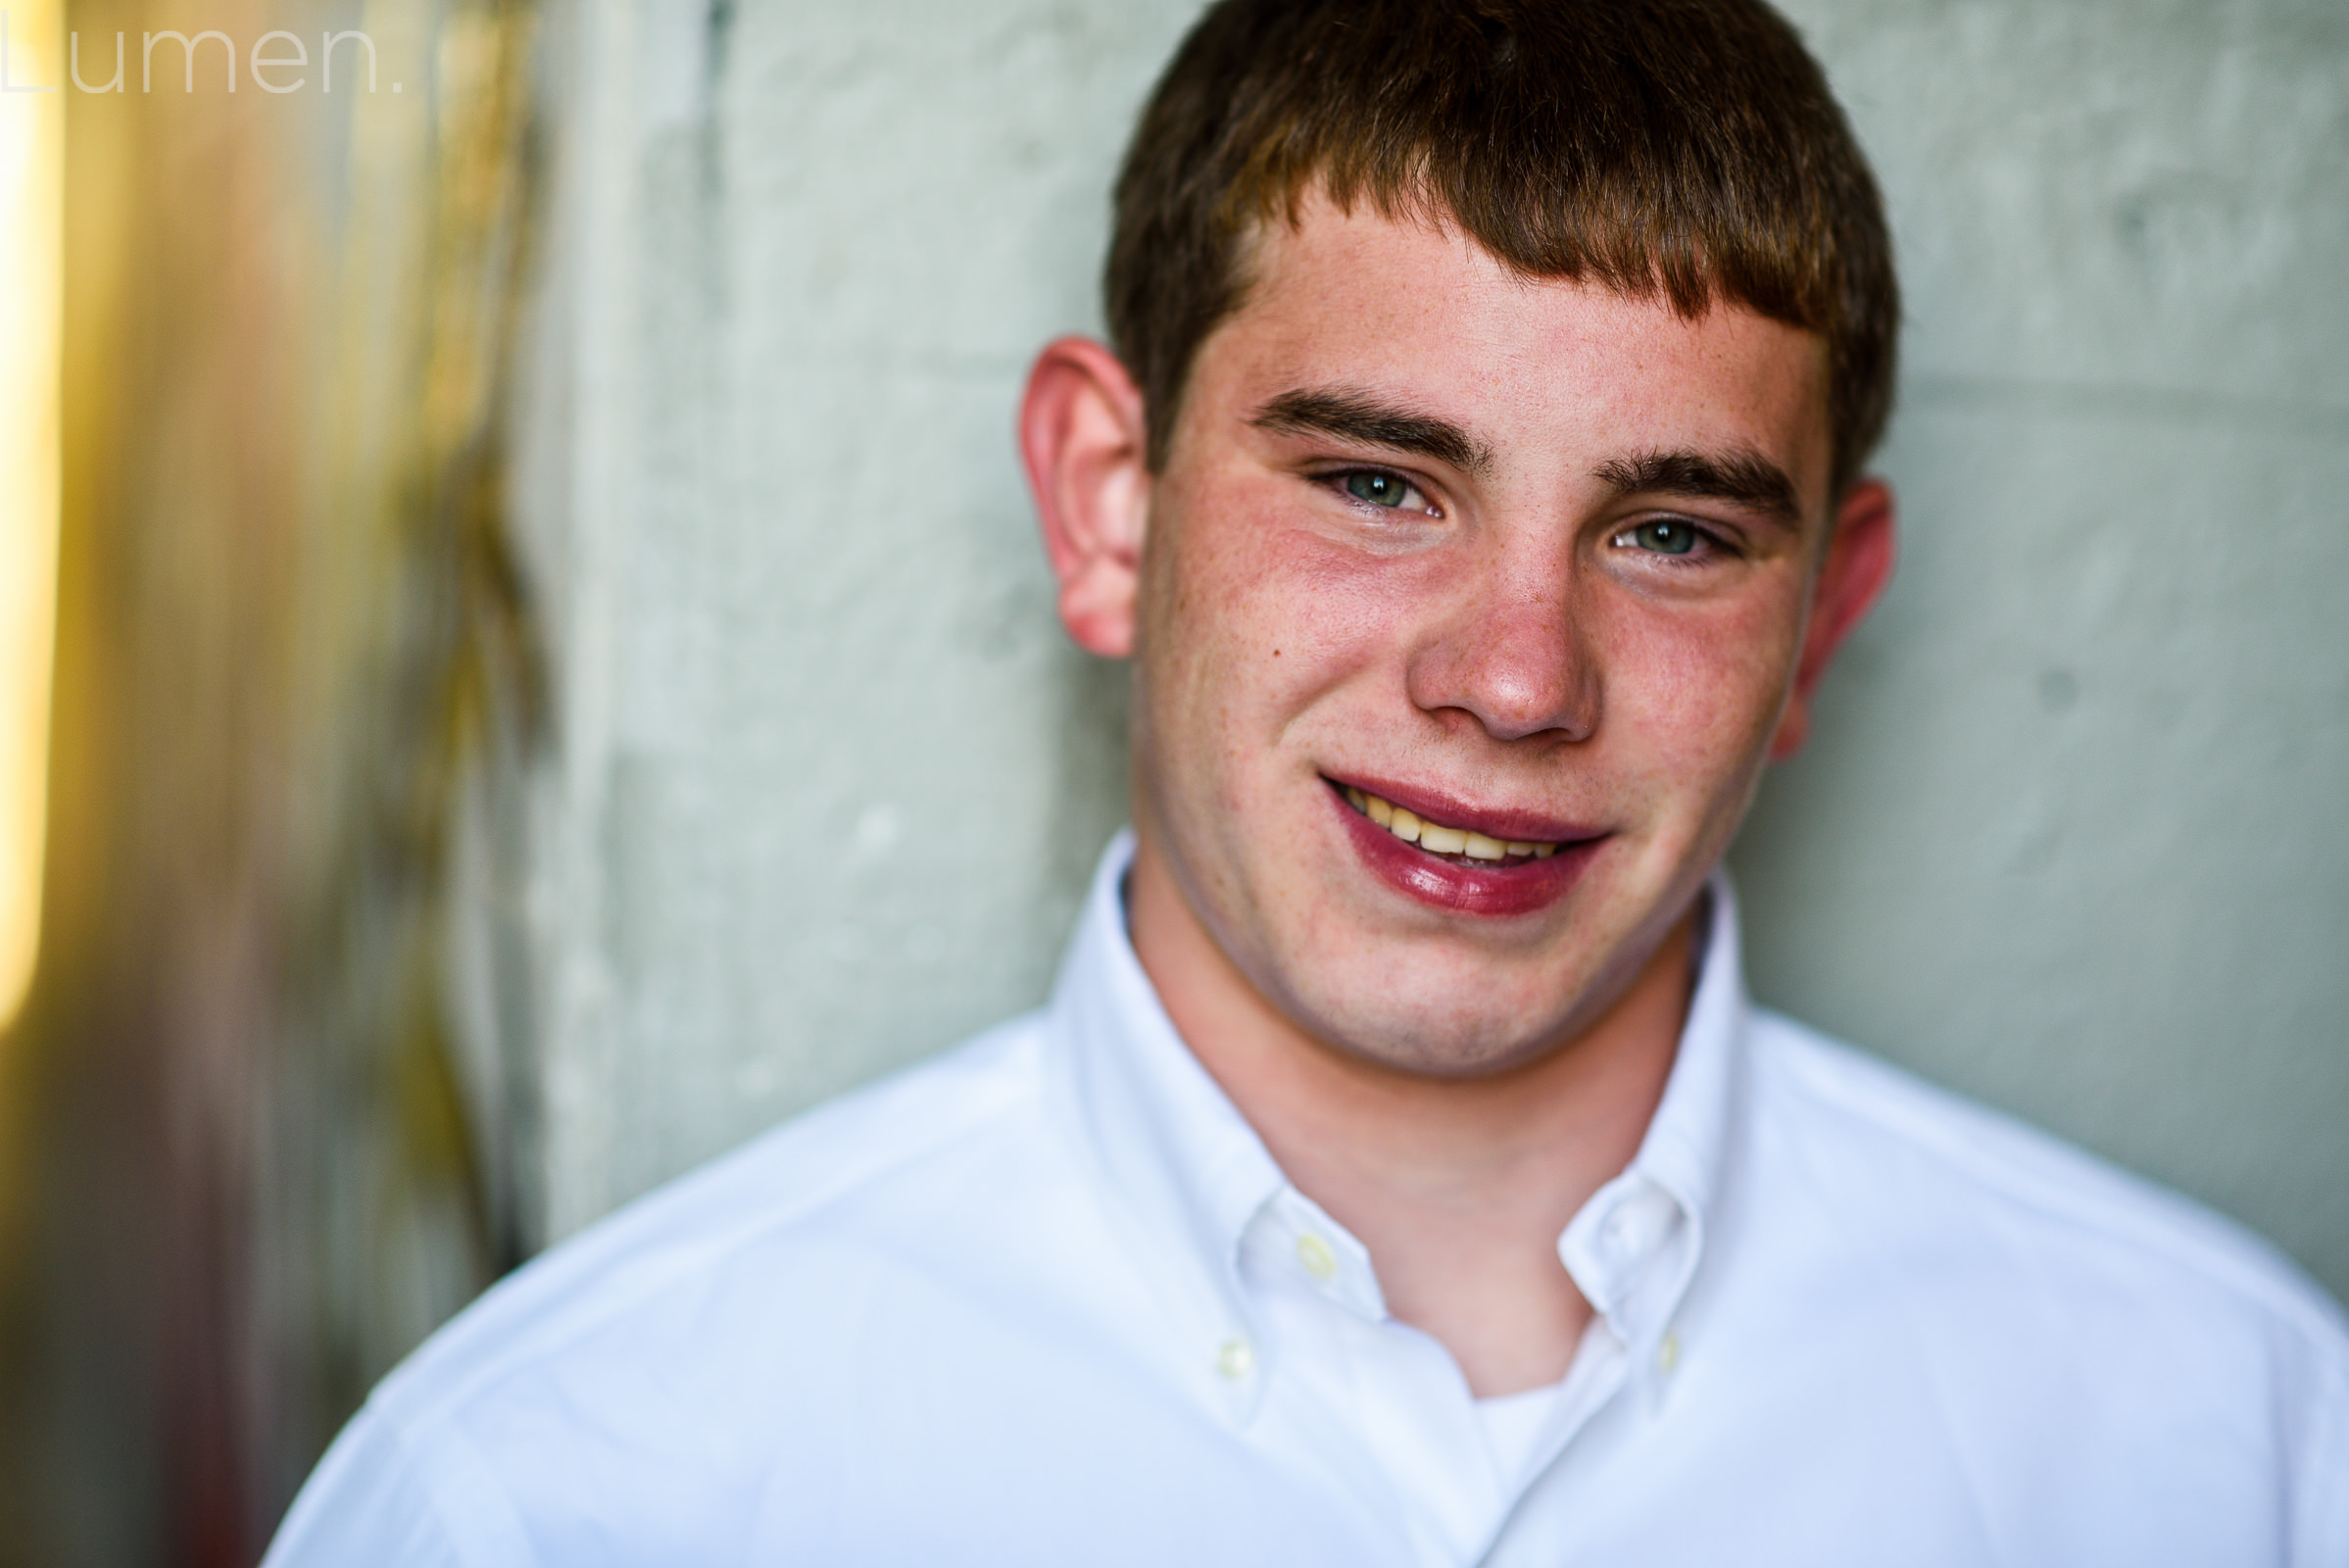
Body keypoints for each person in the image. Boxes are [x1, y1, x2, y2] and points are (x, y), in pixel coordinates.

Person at [264, 1, 2348, 1563]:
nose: (1515, 675)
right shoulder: (565, 1489)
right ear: (1105, 502)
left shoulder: (2227, 1442)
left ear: (1818, 619)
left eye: (1675, 533)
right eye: (1375, 481)